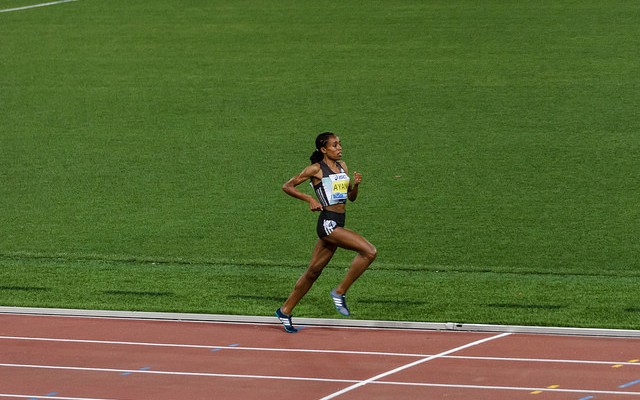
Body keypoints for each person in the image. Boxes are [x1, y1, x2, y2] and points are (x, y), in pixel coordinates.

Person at [275, 132, 377, 333]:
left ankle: (284, 310)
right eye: (334, 145)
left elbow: (350, 197)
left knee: (313, 271)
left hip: (339, 219)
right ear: (323, 149)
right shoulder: (315, 169)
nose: (339, 148)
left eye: (340, 144)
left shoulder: (342, 167)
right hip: (328, 224)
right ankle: (339, 292)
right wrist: (310, 199)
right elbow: (287, 186)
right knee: (369, 252)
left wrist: (355, 186)